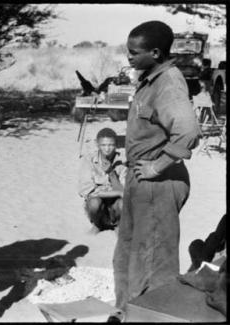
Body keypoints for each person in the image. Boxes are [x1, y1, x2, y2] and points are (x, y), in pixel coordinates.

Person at [112, 20, 201, 312]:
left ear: (156, 52)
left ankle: (150, 316)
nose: (129, 57)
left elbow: (188, 131)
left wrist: (156, 166)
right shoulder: (150, 78)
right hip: (142, 181)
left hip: (158, 183)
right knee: (129, 255)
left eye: (134, 52)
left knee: (152, 264)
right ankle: (126, 312)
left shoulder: (169, 82)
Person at [78, 128, 127, 231]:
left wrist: (111, 172)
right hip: (97, 202)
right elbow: (87, 191)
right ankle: (97, 225)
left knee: (124, 203)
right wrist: (117, 193)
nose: (107, 149)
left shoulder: (122, 162)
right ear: (97, 145)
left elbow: (124, 192)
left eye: (111, 145)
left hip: (115, 203)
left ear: (116, 144)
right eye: (103, 145)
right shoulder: (88, 160)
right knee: (94, 203)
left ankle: (118, 224)